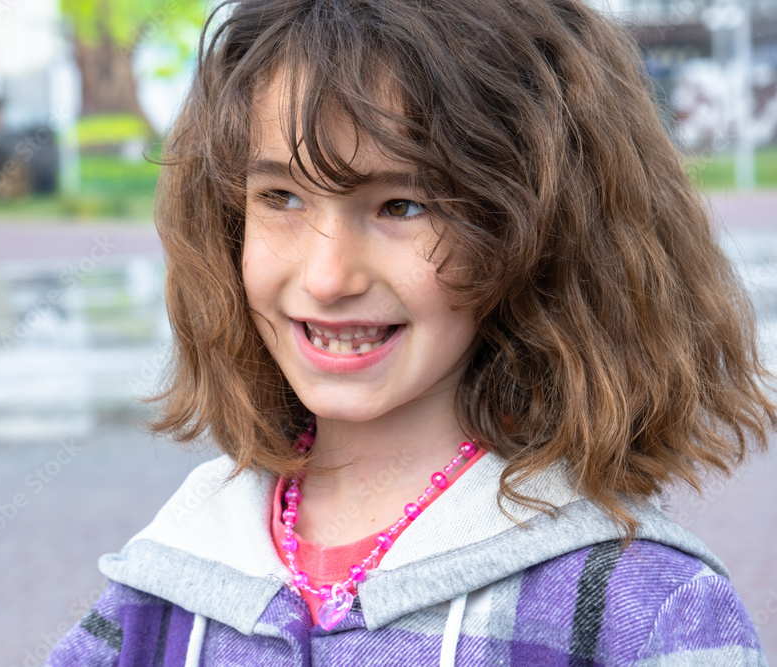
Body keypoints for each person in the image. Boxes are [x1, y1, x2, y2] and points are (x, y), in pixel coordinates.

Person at [48, 0, 776, 664]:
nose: (328, 276)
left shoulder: (640, 610)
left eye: (402, 204)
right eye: (282, 196)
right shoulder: (162, 588)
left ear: (542, 231)